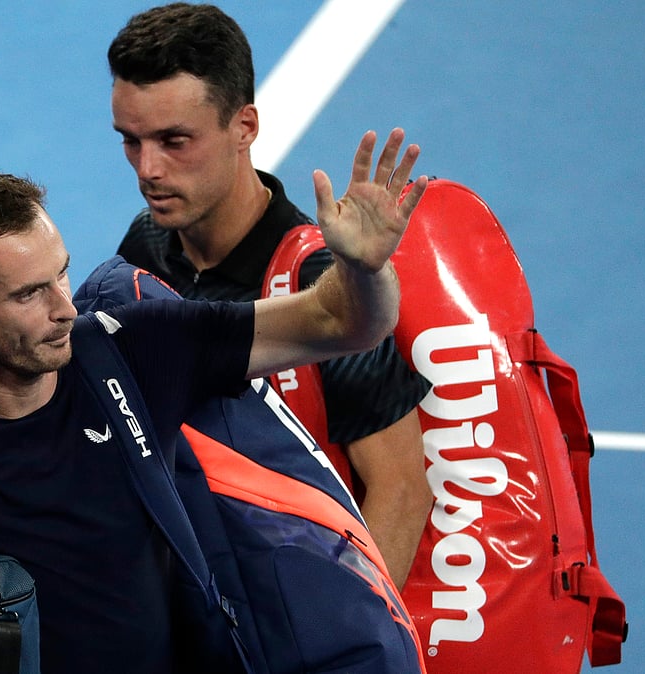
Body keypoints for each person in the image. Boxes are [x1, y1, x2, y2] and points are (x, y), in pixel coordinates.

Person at [0, 136, 426, 670]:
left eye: (61, 274)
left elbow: (340, 322)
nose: (65, 308)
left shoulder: (132, 349)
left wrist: (363, 268)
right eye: (29, 294)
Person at [107, 2, 432, 588]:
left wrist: (348, 623)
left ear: (245, 127)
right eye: (131, 141)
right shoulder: (144, 248)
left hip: (292, 594)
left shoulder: (323, 282)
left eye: (174, 140)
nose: (147, 169)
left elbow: (402, 488)